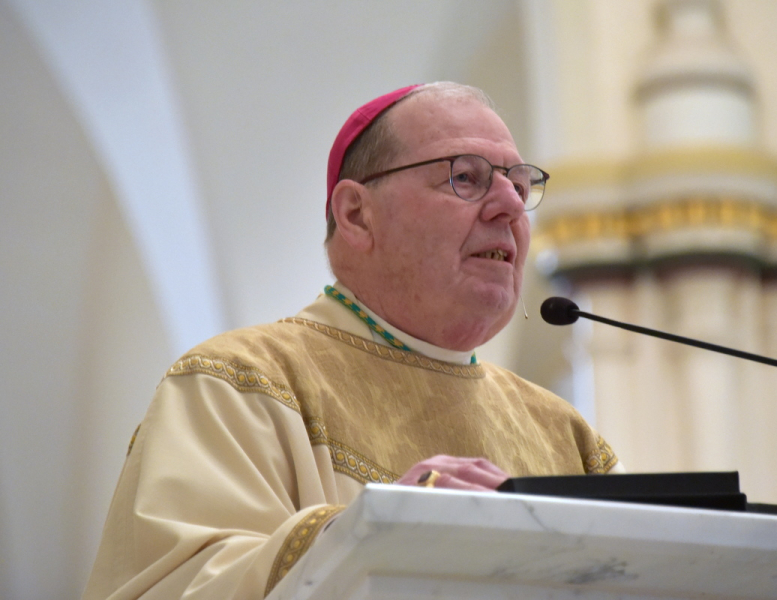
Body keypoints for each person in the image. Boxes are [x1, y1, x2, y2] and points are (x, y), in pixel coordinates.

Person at [82, 82, 621, 600]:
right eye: (465, 177)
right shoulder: (237, 384)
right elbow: (174, 587)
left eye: (520, 185)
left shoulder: (567, 439)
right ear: (357, 214)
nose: (509, 205)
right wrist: (373, 533)